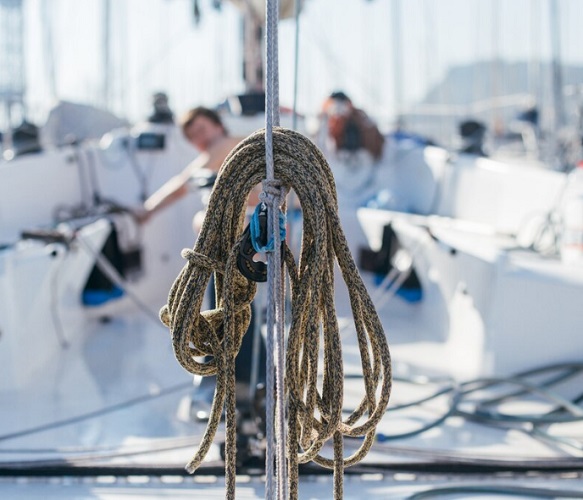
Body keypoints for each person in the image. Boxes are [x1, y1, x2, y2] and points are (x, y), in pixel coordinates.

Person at [138, 106, 244, 222]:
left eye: (201, 130)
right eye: (193, 136)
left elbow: (184, 182)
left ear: (219, 126)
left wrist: (148, 210)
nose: (199, 138)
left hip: (256, 218)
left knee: (201, 220)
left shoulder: (225, 144)